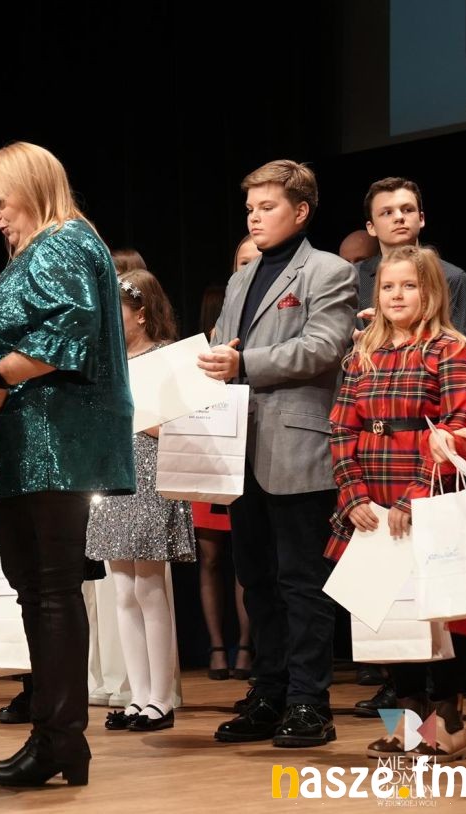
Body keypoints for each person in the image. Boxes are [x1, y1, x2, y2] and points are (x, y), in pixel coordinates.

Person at [0, 142, 135, 787]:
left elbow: (68, 332)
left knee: (49, 591)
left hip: (52, 445)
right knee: (44, 590)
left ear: (32, 188)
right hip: (35, 446)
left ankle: (60, 739)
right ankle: (59, 739)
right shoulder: (57, 244)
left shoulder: (61, 243)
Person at [199, 159, 355, 748]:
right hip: (240, 449)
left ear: (301, 210)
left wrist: (243, 363)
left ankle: (310, 702)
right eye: (250, 208)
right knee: (256, 580)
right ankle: (268, 693)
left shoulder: (329, 270)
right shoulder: (241, 278)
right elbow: (221, 346)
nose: (254, 217)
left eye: (267, 207)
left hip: (298, 448)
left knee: (302, 582)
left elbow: (323, 348)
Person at [329, 245, 466, 762]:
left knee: (436, 614)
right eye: (388, 287)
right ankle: (407, 727)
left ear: (430, 292)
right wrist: (352, 494)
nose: (396, 295)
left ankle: (448, 725)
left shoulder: (448, 349)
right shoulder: (363, 353)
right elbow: (341, 426)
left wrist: (414, 497)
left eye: (409, 286)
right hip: (371, 498)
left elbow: (454, 428)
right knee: (384, 618)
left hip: (427, 497)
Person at [87, 269, 195, 732]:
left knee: (149, 587)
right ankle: (137, 696)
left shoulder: (164, 358)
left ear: (141, 314)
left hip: (150, 474)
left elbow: (179, 424)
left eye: (118, 311)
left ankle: (161, 699)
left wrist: (140, 416)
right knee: (123, 590)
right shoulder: (106, 362)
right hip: (113, 476)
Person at [196, 241, 253, 682]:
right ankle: (217, 646)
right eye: (243, 262)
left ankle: (248, 647)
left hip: (254, 449)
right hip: (215, 449)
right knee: (212, 558)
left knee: (247, 561)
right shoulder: (219, 325)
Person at [355, 177, 466, 351]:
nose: (399, 217)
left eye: (407, 210)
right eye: (387, 213)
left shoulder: (452, 277)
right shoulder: (353, 277)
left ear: (421, 218)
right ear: (371, 227)